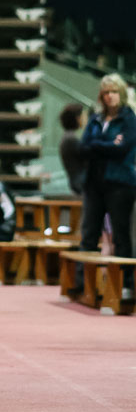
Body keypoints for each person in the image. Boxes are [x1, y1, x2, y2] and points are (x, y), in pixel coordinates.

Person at [75, 73, 136, 299]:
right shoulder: (95, 118)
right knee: (88, 234)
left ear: (121, 94)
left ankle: (125, 285)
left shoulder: (129, 119)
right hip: (93, 183)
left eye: (114, 92)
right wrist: (107, 145)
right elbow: (82, 148)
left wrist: (97, 146)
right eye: (106, 92)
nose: (110, 96)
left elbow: (122, 149)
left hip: (120, 184)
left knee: (121, 237)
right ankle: (84, 284)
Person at [58, 102, 87, 195]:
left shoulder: (69, 137)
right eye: (83, 116)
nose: (85, 119)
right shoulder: (71, 139)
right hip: (80, 184)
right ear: (77, 118)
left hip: (78, 182)